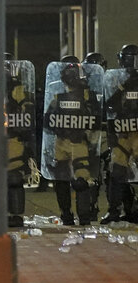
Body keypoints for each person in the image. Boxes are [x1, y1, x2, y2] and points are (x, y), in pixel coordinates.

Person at [41, 58, 104, 225]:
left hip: (80, 143)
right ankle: (66, 215)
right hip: (61, 142)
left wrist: (90, 141)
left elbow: (95, 121)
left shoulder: (89, 97)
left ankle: (84, 217)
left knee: (81, 180)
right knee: (61, 180)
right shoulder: (59, 97)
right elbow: (48, 121)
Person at [101, 43, 138, 223]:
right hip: (122, 130)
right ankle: (114, 210)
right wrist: (125, 86)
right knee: (116, 172)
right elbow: (110, 104)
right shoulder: (115, 79)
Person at [4, 57, 36, 227]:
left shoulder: (18, 90)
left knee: (14, 178)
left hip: (13, 139)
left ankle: (16, 215)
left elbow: (28, 112)